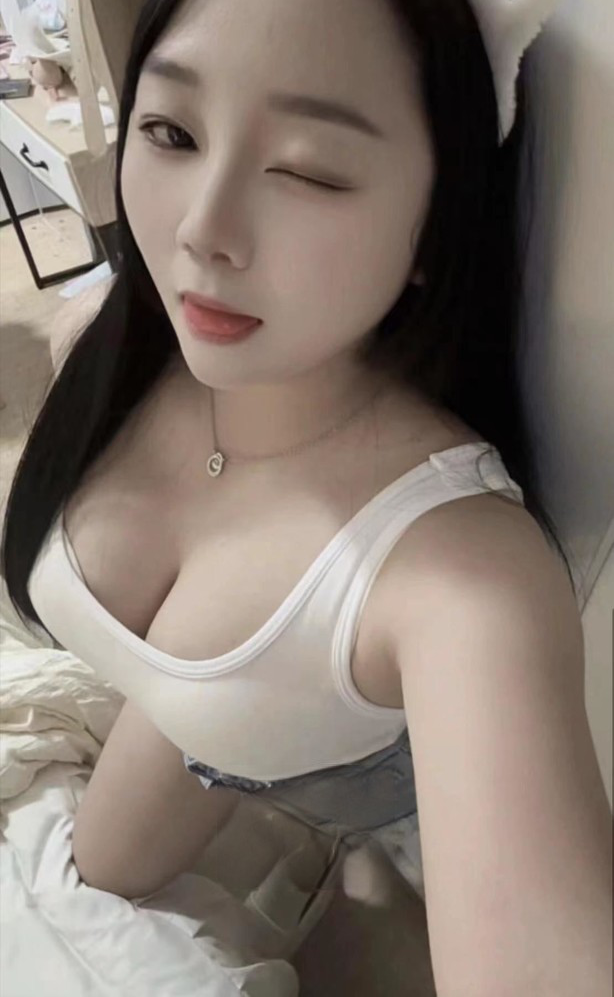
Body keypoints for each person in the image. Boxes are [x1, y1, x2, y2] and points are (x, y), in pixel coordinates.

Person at [2, 0, 611, 993]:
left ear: (439, 219)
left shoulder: (462, 576)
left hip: (284, 757)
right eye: (171, 132)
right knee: (87, 881)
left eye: (309, 171)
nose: (201, 231)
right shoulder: (102, 345)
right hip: (196, 727)